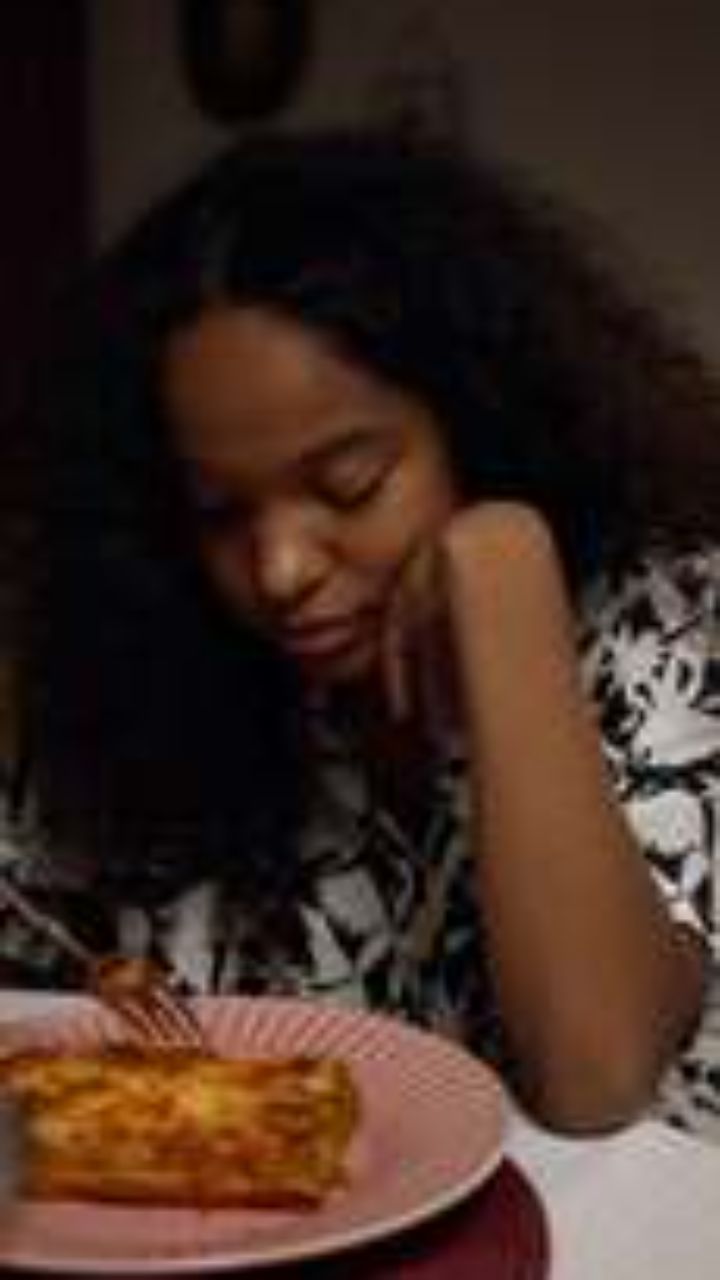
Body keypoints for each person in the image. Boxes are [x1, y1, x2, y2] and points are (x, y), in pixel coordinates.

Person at [1, 128, 719, 1138]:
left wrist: (502, 565)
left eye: (350, 484)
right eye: (219, 512)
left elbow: (597, 1071)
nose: (281, 568)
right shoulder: (168, 684)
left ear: (481, 423)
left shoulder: (664, 620)